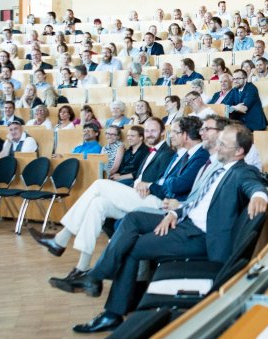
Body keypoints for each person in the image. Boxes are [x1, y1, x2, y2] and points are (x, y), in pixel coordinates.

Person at [61, 124, 268, 333]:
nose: (218, 146)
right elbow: (197, 203)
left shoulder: (243, 172)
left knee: (132, 248)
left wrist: (259, 196)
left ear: (239, 151)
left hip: (198, 236)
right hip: (184, 221)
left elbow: (254, 185)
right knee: (133, 219)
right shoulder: (219, 167)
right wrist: (174, 213)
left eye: (223, 144)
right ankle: (96, 278)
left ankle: (110, 310)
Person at [32, 117, 203, 273]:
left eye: (154, 131)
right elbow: (151, 178)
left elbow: (167, 184)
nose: (149, 134)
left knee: (99, 184)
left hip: (155, 200)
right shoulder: (171, 153)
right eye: (147, 130)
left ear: (163, 133)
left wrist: (150, 185)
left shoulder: (170, 153)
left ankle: (61, 238)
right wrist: (144, 183)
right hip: (142, 193)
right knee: (98, 204)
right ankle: (82, 266)